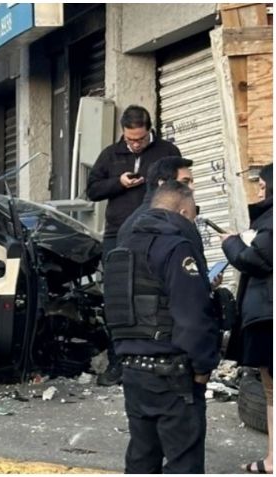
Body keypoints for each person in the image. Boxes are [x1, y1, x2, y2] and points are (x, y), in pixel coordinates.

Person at [104, 180, 220, 473]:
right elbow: (193, 316)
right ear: (182, 210)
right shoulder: (176, 246)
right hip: (174, 373)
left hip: (133, 370)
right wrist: (203, 367)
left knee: (142, 458)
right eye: (193, 215)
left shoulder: (122, 248)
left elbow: (115, 310)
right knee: (184, 462)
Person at [87, 106, 182, 386]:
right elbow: (92, 190)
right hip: (118, 234)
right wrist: (119, 182)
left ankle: (161, 355)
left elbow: (181, 187)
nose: (135, 144)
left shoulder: (167, 151)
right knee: (118, 297)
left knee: (156, 294)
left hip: (157, 232)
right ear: (123, 132)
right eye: (130, 139)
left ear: (149, 130)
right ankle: (119, 362)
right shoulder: (111, 154)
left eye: (140, 139)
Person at [221, 163, 273, 474]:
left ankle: (273, 461)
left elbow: (258, 260)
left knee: (271, 389)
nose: (260, 190)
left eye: (264, 185)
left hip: (269, 315)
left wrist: (232, 242)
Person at [116, 156, 194, 245]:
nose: (192, 188)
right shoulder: (173, 219)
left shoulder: (131, 222)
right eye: (185, 182)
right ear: (163, 184)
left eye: (192, 182)